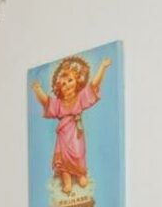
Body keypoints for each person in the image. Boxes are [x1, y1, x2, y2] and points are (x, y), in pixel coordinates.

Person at [31, 55, 110, 195]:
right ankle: (67, 181)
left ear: (77, 81)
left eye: (70, 80)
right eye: (63, 84)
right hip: (63, 136)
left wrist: (102, 67)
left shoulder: (80, 97)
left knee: (78, 154)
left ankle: (80, 174)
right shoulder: (58, 104)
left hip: (76, 133)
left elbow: (93, 85)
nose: (67, 85)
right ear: (59, 88)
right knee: (63, 159)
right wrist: (37, 90)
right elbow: (46, 102)